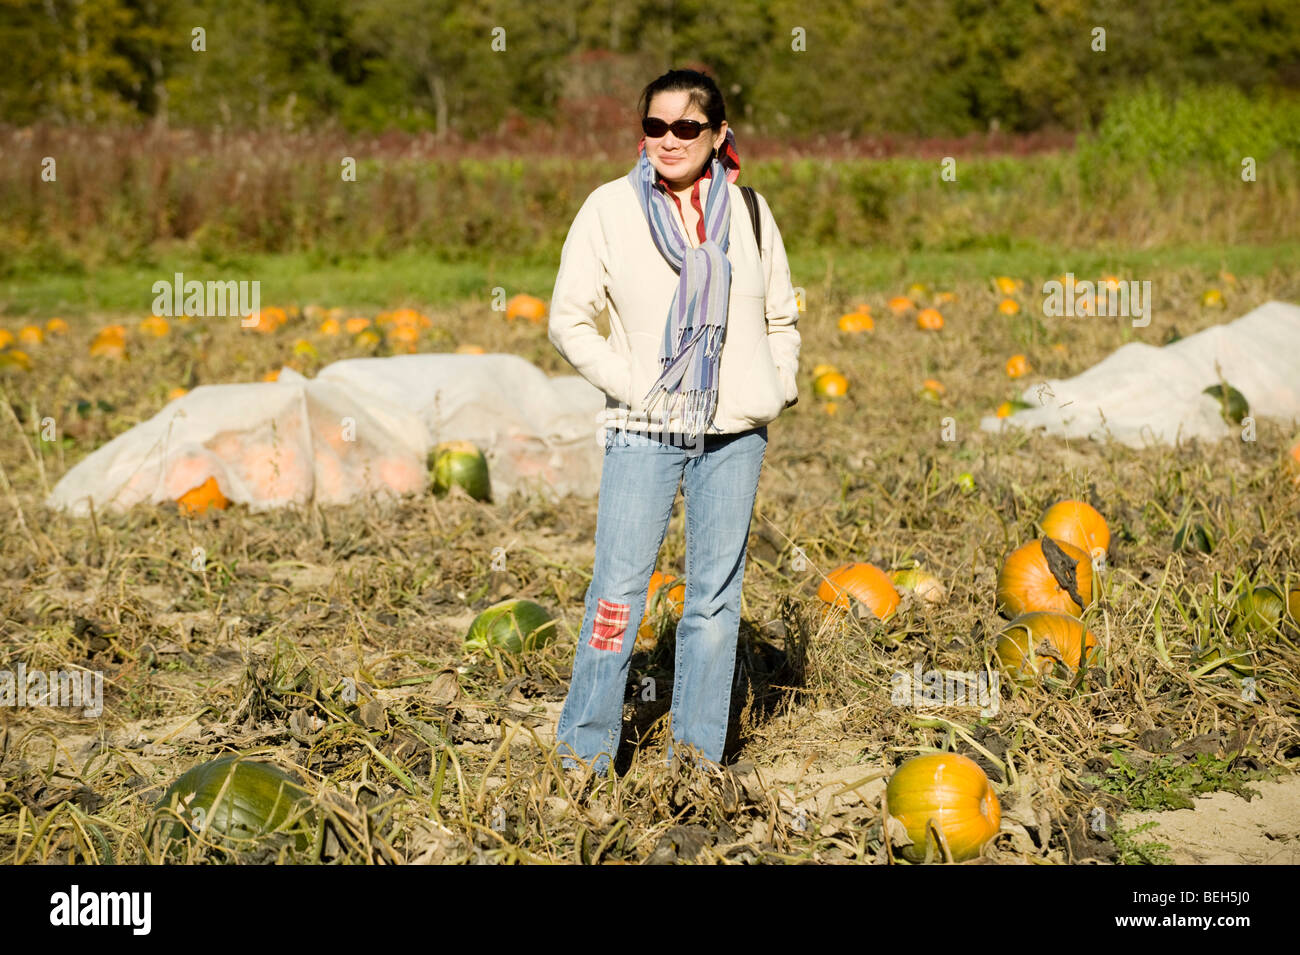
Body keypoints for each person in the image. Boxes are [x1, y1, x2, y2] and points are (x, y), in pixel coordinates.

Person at [547, 68, 801, 779]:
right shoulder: (609, 209)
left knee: (715, 603)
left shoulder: (749, 212)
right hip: (643, 429)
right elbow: (568, 320)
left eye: (686, 127)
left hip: (733, 432)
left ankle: (695, 758)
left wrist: (778, 383)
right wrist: (637, 389)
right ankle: (583, 754)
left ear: (718, 136)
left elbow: (781, 313)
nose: (668, 140)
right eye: (655, 127)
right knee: (617, 594)